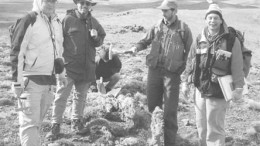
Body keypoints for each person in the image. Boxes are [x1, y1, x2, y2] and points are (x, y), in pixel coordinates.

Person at [131, 0, 193, 145]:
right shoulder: (157, 26)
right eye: (162, 11)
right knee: (152, 107)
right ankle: (154, 139)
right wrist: (137, 48)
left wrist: (187, 74)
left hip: (172, 74)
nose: (163, 13)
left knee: (170, 111)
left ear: (174, 11)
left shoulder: (184, 29)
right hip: (154, 71)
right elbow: (144, 41)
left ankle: (170, 142)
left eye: (166, 10)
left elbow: (190, 53)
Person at [182, 3, 244, 146]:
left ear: (221, 20)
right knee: (201, 127)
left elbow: (237, 65)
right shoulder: (199, 39)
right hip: (200, 90)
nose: (212, 21)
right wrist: (185, 82)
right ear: (206, 20)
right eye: (209, 18)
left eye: (216, 18)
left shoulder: (231, 40)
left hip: (219, 91)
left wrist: (238, 87)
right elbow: (190, 61)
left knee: (215, 129)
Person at [46, 0, 106, 141]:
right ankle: (55, 125)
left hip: (86, 67)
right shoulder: (67, 20)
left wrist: (96, 37)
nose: (85, 6)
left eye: (88, 3)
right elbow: (57, 42)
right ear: (77, 4)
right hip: (69, 67)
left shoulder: (94, 22)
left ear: (91, 6)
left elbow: (100, 39)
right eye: (82, 2)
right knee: (61, 97)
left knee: (81, 97)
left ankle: (76, 123)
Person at [10, 0, 67, 145]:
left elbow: (58, 52)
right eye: (46, 0)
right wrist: (17, 82)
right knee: (30, 125)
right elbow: (17, 52)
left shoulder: (57, 22)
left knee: (37, 124)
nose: (50, 3)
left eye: (53, 0)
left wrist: (61, 74)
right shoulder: (29, 19)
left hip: (48, 82)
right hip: (30, 82)